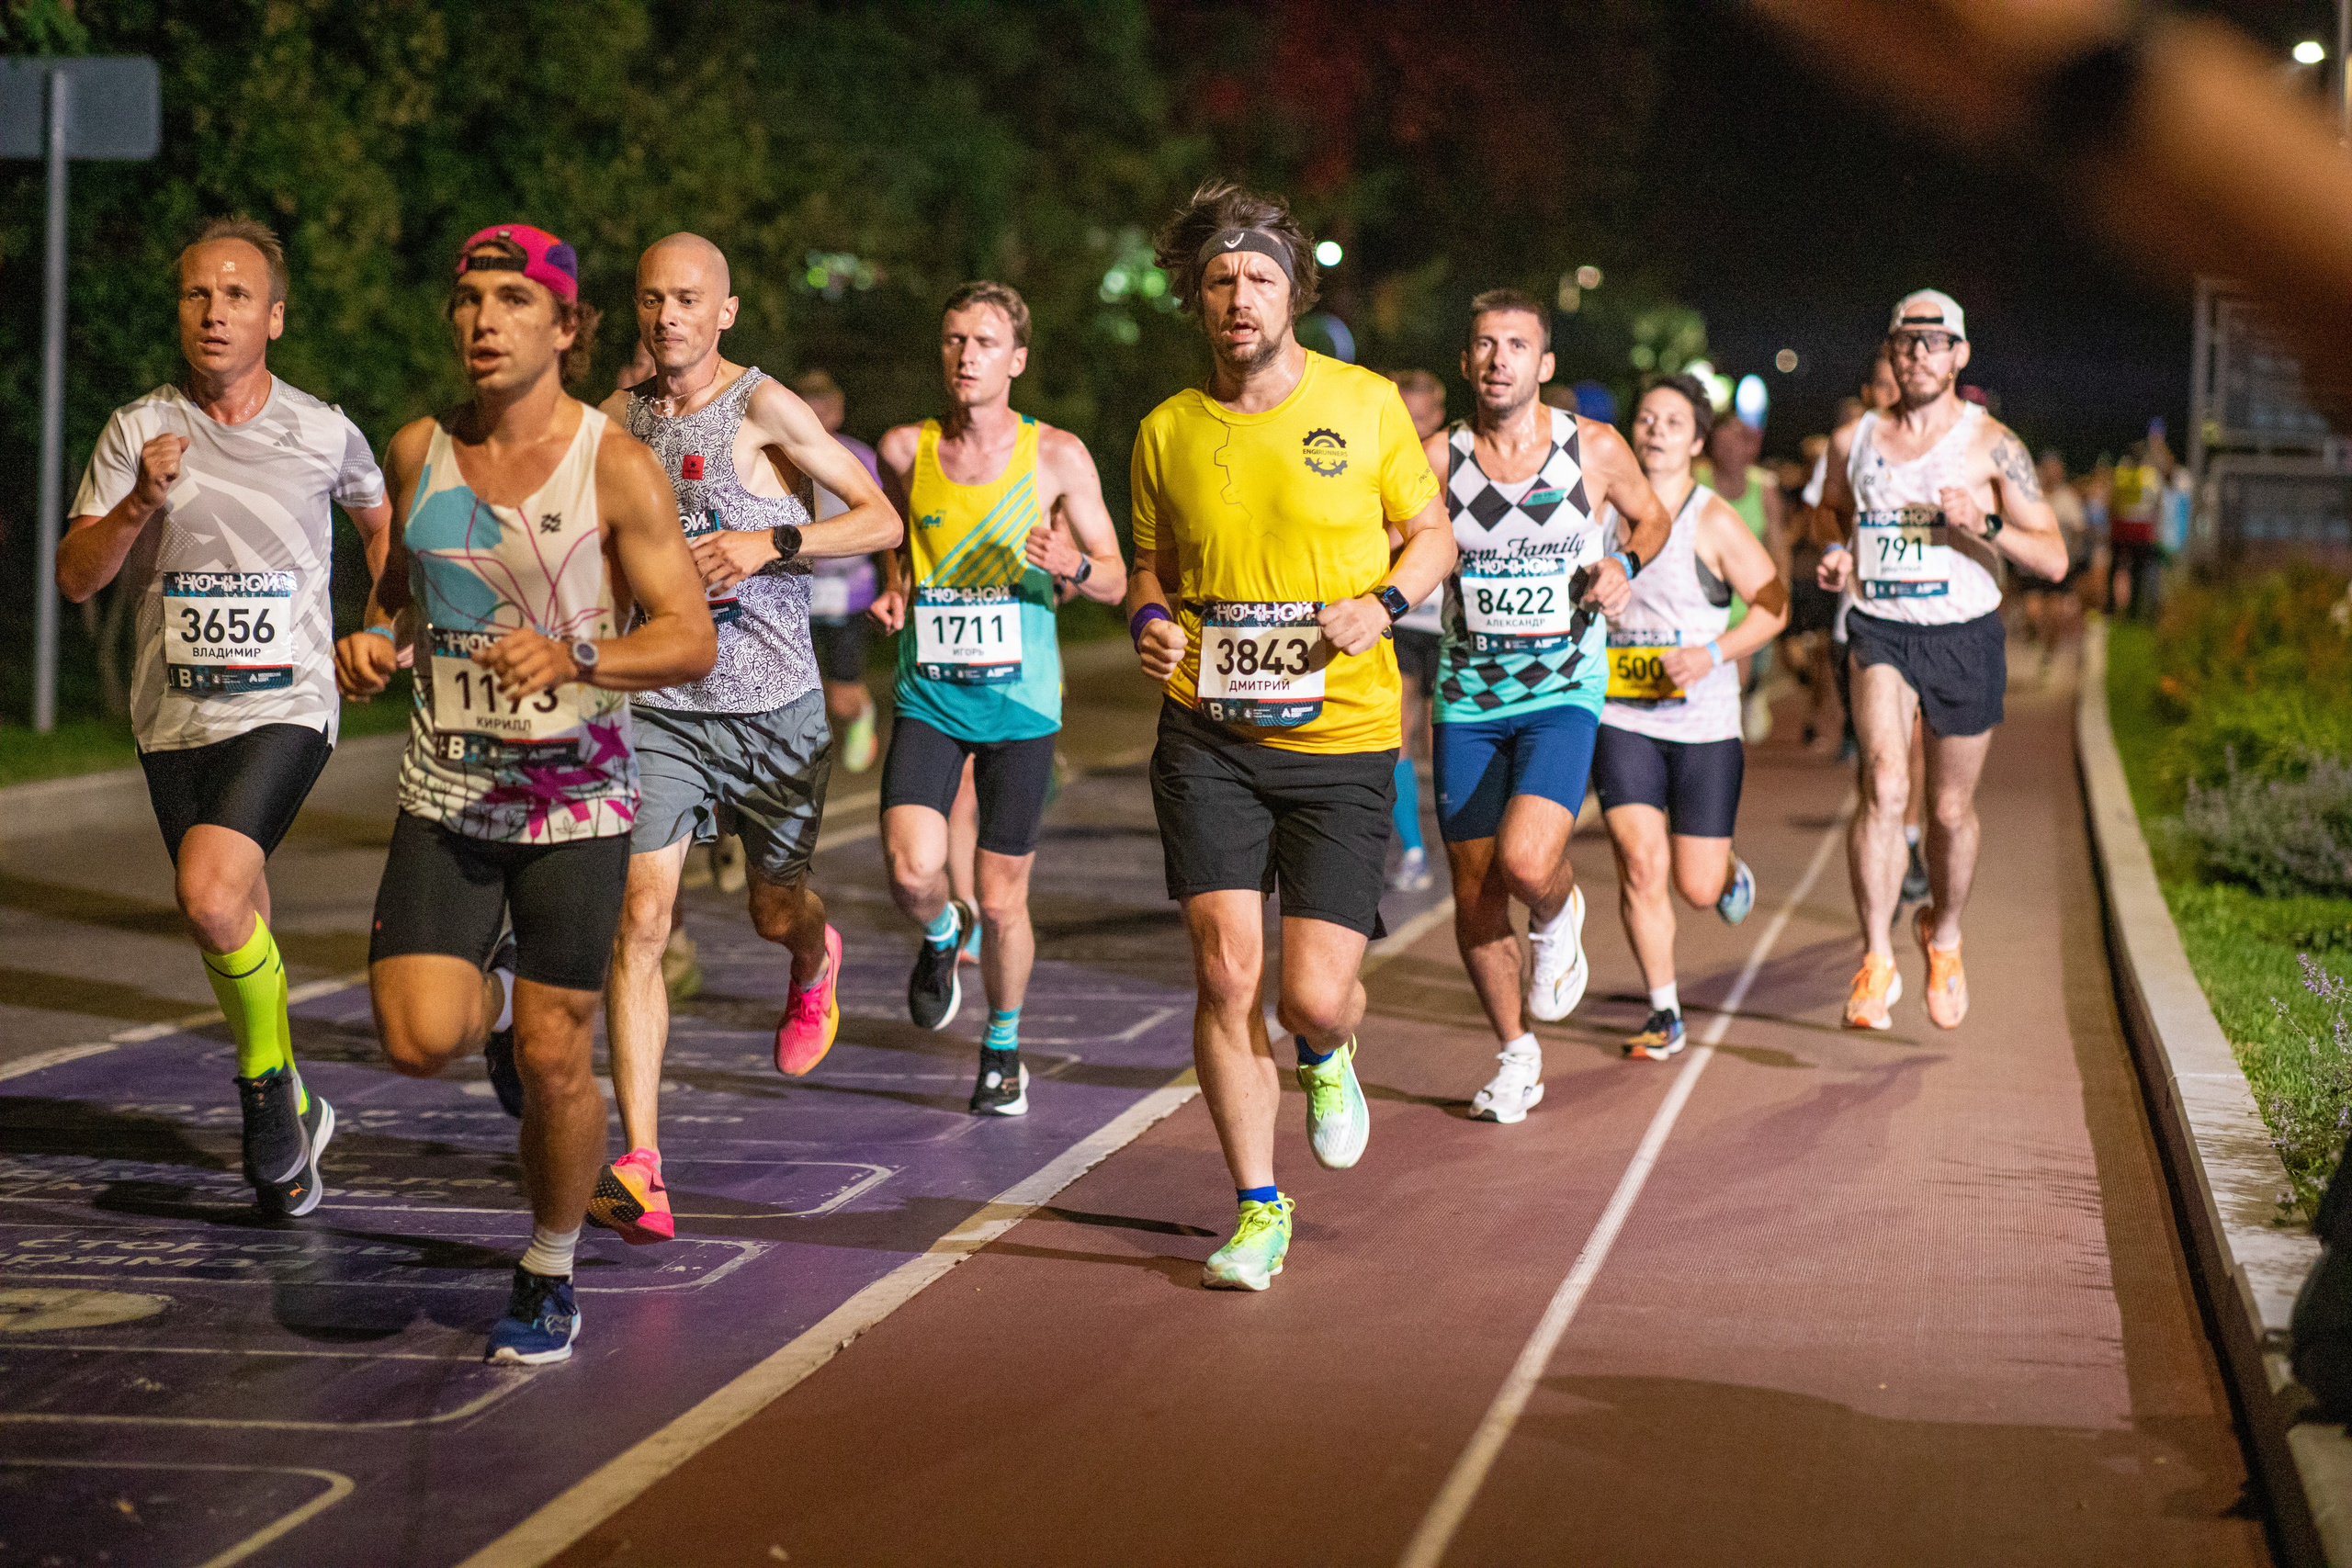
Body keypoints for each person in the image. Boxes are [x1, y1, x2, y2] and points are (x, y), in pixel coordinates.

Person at [335, 223, 715, 1363]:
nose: (483, 322)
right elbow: (398, 598)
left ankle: (548, 1265)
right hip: (447, 790)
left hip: (576, 804)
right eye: (468, 302)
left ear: (564, 325)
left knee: (562, 1057)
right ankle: (491, 1009)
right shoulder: (418, 452)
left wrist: (578, 659)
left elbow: (688, 638)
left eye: (511, 300)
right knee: (414, 1041)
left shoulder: (615, 465)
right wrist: (373, 643)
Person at [1125, 181, 1453, 1290]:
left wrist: (1387, 605)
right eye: (1219, 279)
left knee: (1312, 994)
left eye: (1259, 277)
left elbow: (1431, 535)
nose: (1238, 296)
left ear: (1291, 294)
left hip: (1342, 739)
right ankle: (1258, 1207)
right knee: (1226, 976)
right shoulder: (1167, 431)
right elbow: (1146, 567)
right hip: (1206, 736)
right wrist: (1151, 621)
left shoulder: (1363, 406)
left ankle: (1325, 1049)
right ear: (1197, 298)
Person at [58, 217, 391, 1218]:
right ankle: (298, 1107)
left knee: (206, 894)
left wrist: (383, 628)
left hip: (289, 701)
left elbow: (384, 527)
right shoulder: (136, 431)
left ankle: (260, 1094)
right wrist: (136, 505)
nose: (214, 312)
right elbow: (76, 579)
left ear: (274, 317)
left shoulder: (323, 430)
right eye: (198, 294)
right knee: (235, 913)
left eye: (237, 295)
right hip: (172, 715)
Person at [593, 236, 902, 1246]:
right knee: (641, 916)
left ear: (724, 311)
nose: (667, 317)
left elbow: (879, 520)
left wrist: (772, 541)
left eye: (688, 300)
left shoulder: (764, 407)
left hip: (773, 709)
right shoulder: (618, 420)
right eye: (652, 300)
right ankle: (640, 1165)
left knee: (773, 908)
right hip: (665, 709)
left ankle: (813, 954)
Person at [870, 281, 1125, 1115]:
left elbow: (1117, 576)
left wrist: (1075, 569)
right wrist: (896, 588)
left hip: (1021, 706)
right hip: (930, 695)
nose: (966, 355)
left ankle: (1003, 1046)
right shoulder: (904, 449)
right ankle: (944, 932)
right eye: (953, 340)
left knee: (1006, 895)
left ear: (1016, 360)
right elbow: (900, 541)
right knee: (913, 871)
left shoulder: (1056, 455)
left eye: (984, 342)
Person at [1424, 290, 1674, 1123]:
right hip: (1466, 696)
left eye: (1517, 345)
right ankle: (1517, 1052)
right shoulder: (1435, 459)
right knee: (1475, 895)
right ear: (1467, 362)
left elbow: (1652, 517)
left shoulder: (1592, 450)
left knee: (1528, 862)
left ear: (1545, 363)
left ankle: (1562, 908)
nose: (1500, 360)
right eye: (1485, 345)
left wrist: (1624, 566)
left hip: (1563, 689)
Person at [1815, 290, 2067, 1032]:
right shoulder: (1853, 439)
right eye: (1907, 340)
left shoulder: (1994, 446)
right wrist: (1836, 549)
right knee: (1885, 783)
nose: (1919, 353)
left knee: (1950, 811)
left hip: (1963, 634)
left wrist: (1983, 523)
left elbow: (2053, 557)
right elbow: (1830, 509)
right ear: (1891, 352)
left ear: (1959, 355)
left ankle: (1944, 933)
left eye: (1935, 341)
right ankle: (1876, 957)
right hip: (1881, 629)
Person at [1597, 377, 1787, 1061]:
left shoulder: (1712, 518)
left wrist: (1712, 654)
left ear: (1697, 441)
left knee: (1696, 885)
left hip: (1704, 724)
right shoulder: (1598, 510)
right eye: (1646, 418)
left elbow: (1774, 605)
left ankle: (1727, 868)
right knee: (1640, 864)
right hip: (1622, 716)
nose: (1654, 431)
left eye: (1672, 422)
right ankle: (1663, 1011)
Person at [793, 368, 886, 773]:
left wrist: (892, 585)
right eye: (806, 407)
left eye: (823, 406)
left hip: (850, 589)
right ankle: (807, 759)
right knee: (799, 691)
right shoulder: (782, 454)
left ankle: (860, 713)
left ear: (837, 410)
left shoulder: (860, 456)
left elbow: (886, 523)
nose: (816, 415)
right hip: (798, 589)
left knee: (840, 696)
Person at [1385, 368, 1449, 891]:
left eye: (1421, 417)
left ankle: (1466, 841)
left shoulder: (1456, 463)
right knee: (1397, 734)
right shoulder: (1379, 465)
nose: (1413, 427)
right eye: (1403, 416)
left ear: (1438, 417)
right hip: (1402, 619)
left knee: (1444, 739)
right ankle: (1412, 850)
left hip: (1454, 623)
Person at [1700, 406, 1787, 741]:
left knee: (1731, 691)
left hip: (1745, 602)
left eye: (1741, 442)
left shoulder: (1762, 487)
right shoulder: (1697, 479)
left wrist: (1780, 592)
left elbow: (1777, 544)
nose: (1733, 451)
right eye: (1724, 444)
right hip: (1703, 600)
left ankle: (1733, 729)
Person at [2016, 449, 2089, 671]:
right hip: (2032, 567)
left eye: (2056, 470)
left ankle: (2048, 656)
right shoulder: (2030, 495)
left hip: (2058, 566)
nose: (2051, 474)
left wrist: (2074, 555)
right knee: (2033, 613)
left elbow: (2080, 530)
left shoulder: (2068, 499)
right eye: (2047, 469)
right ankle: (2033, 633)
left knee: (2056, 615)